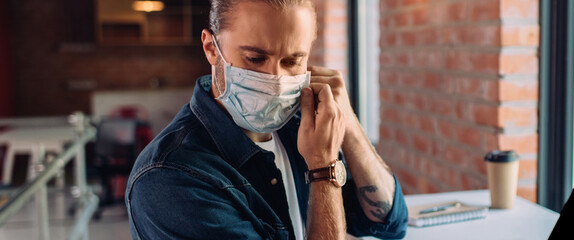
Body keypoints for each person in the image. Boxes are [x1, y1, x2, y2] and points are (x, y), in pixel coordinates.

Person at [124, 0, 408, 239]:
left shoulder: (301, 128)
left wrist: (349, 125)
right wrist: (322, 168)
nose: (275, 79)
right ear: (211, 48)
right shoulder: (169, 178)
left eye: (292, 61)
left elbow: (390, 223)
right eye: (255, 59)